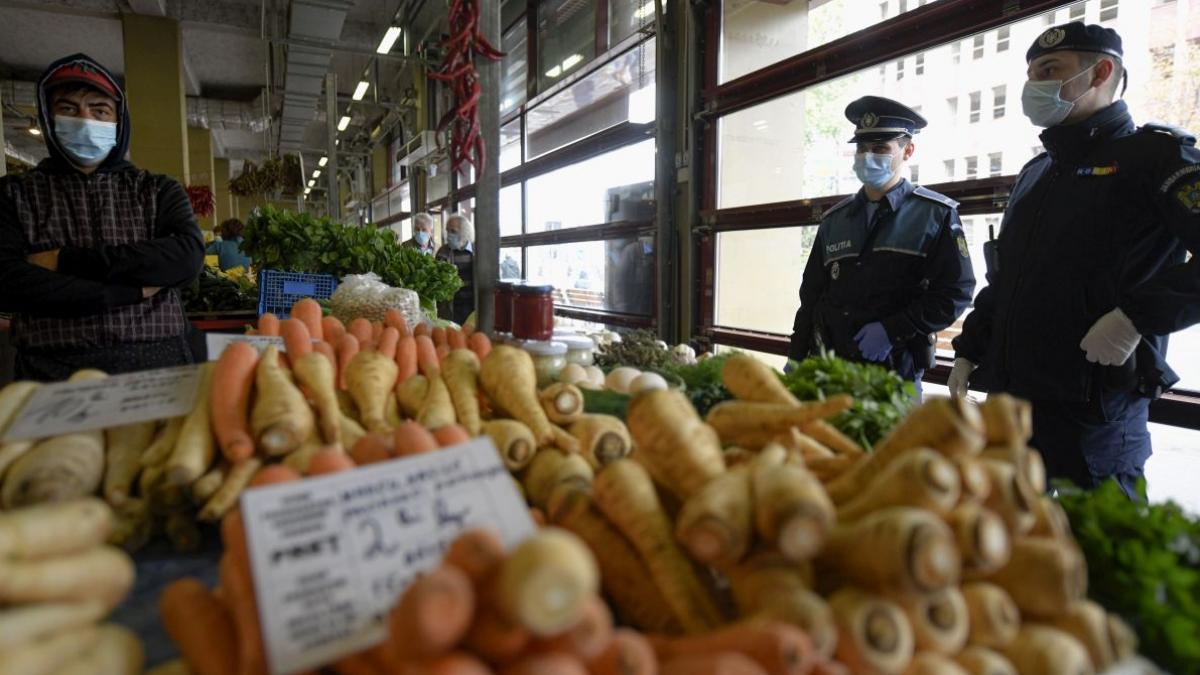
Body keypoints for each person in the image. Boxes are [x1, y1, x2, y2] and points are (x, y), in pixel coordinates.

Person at [949, 22, 1200, 497]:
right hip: (1011, 409)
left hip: (1094, 419)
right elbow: (1007, 280)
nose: (1032, 85)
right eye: (1030, 74)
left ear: (1101, 71)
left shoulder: (1154, 158)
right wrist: (969, 347)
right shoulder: (1037, 173)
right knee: (1009, 552)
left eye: (1049, 70)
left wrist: (1136, 318)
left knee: (1097, 559)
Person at [0, 53, 204, 381]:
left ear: (118, 121)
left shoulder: (157, 189)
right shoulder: (13, 194)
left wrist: (64, 261)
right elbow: (9, 282)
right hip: (53, 367)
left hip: (157, 360)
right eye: (68, 109)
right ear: (48, 119)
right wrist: (125, 293)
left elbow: (186, 258)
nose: (85, 120)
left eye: (100, 110)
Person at [788, 96, 976, 394]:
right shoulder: (835, 220)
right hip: (832, 372)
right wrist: (797, 354)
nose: (867, 156)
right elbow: (811, 295)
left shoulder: (934, 215)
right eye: (862, 149)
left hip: (896, 375)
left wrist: (893, 329)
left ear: (908, 150)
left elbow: (956, 293)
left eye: (880, 149)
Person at [436, 212, 475, 325]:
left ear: (464, 233)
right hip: (451, 308)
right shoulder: (443, 251)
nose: (449, 235)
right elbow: (437, 278)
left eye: (453, 231)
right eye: (447, 231)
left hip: (472, 306)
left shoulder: (476, 251)